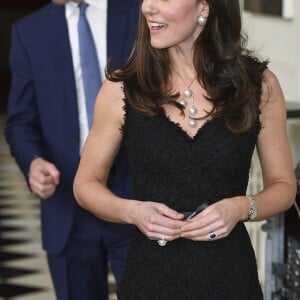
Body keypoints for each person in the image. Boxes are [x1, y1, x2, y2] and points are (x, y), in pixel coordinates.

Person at [73, 0, 297, 299]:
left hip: (231, 279)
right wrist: (133, 212)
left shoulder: (258, 86)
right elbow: (85, 184)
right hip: (149, 280)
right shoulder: (121, 89)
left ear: (204, 7)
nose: (147, 8)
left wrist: (241, 208)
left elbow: (283, 186)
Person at [5, 0, 138, 299]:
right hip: (66, 205)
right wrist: (34, 162)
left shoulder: (143, 12)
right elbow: (21, 121)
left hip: (138, 201)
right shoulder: (30, 31)